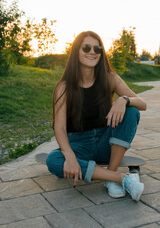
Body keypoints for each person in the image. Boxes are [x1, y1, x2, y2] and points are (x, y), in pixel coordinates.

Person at [46, 31, 147, 202]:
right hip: (79, 145)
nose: (92, 51)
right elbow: (60, 128)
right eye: (86, 47)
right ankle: (120, 179)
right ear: (77, 51)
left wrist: (124, 99)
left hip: (106, 144)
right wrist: (70, 157)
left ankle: (111, 172)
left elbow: (142, 104)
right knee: (53, 160)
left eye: (97, 48)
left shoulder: (110, 79)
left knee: (132, 110)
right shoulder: (63, 87)